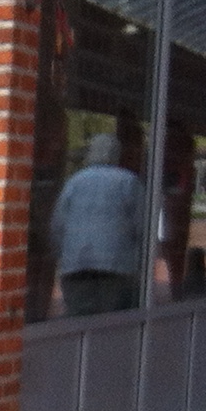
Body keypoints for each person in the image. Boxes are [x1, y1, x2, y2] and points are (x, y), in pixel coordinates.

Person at [50, 131, 147, 316]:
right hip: (115, 265)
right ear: (117, 154)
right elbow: (141, 225)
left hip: (75, 264)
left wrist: (60, 255)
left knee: (77, 321)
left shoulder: (74, 182)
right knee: (110, 324)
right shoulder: (129, 181)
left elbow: (58, 223)